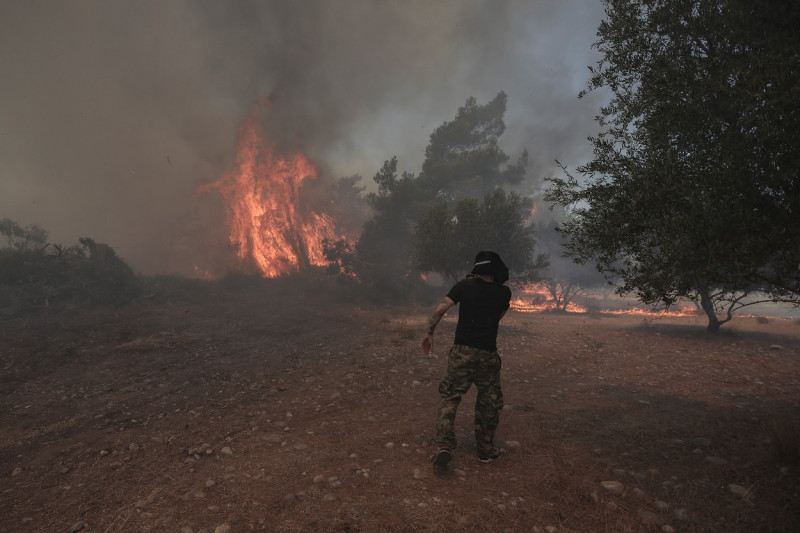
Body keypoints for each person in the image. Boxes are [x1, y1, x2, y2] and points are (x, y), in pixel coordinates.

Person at [421, 251, 512, 473]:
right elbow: (497, 318)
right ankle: (485, 451)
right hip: (487, 356)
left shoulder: (463, 286)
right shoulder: (504, 293)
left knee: (450, 398)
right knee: (488, 403)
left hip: (461, 352)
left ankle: (444, 445)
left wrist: (429, 333)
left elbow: (440, 309)